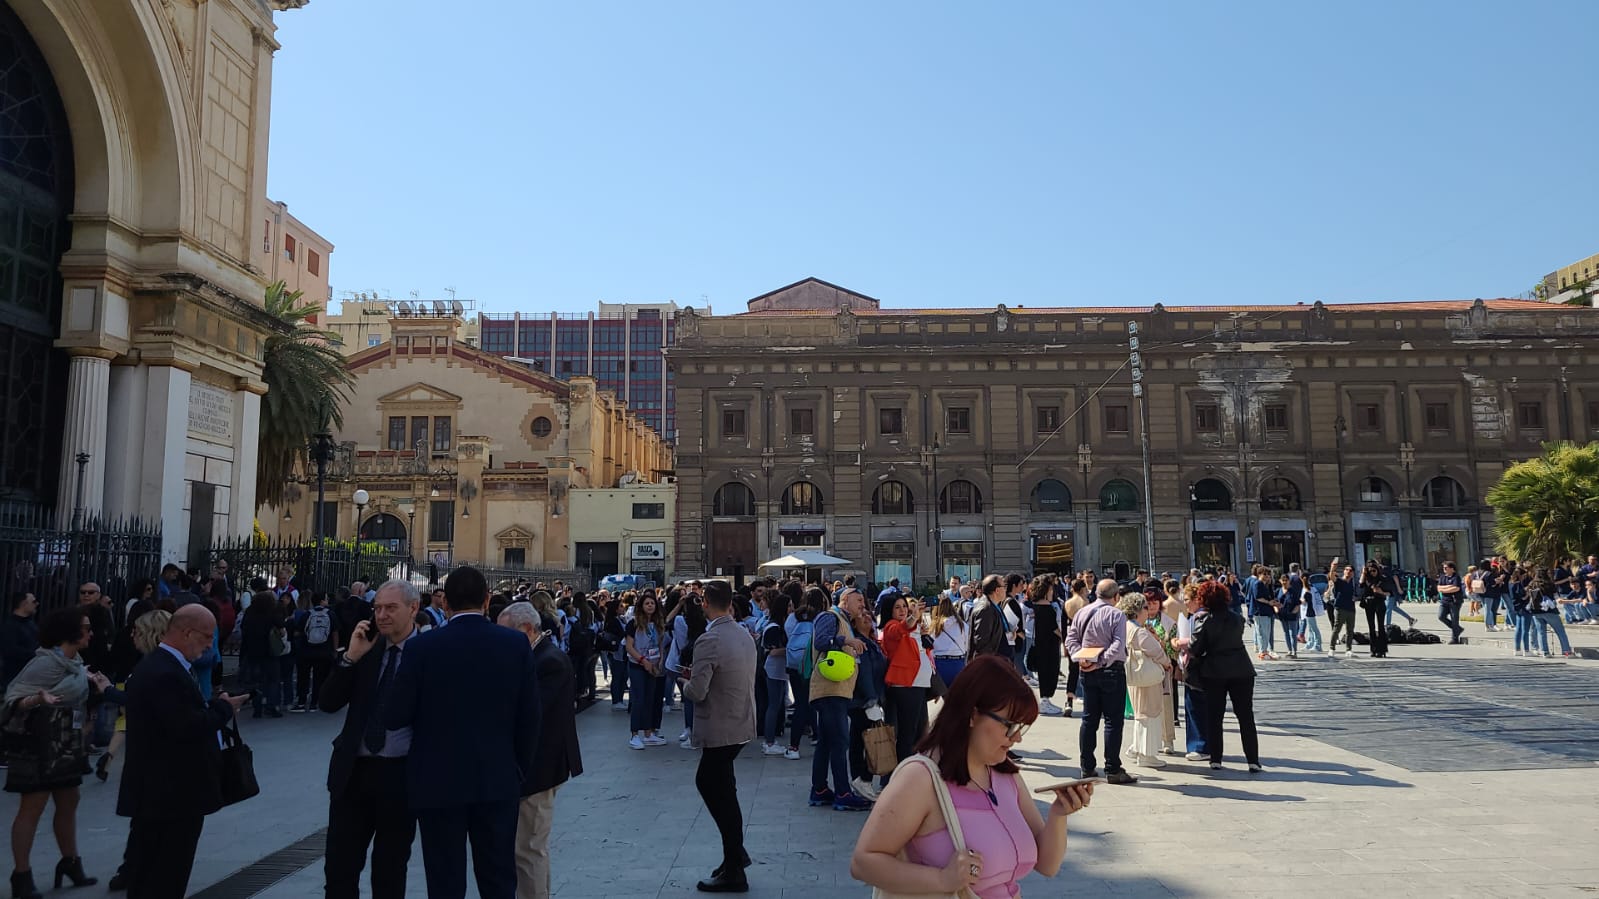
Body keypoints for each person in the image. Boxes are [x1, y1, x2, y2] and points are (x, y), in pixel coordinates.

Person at [849, 656, 1094, 899]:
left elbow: (1047, 865)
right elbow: (863, 862)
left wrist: (1058, 814)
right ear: (973, 715)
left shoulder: (1005, 774)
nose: (1017, 737)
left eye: (1022, 727)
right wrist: (942, 879)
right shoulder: (920, 779)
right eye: (1010, 725)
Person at [383, 566, 540, 899]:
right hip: (496, 777)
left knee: (445, 881)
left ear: (445, 603)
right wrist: (517, 768)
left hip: (437, 781)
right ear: (487, 600)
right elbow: (530, 717)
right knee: (499, 879)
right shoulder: (515, 644)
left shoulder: (422, 648)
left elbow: (395, 716)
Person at [116, 604, 251, 899]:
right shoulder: (164, 671)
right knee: (165, 873)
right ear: (187, 633)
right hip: (170, 794)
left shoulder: (163, 666)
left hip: (165, 791)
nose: (210, 645)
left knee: (156, 870)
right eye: (207, 636)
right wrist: (223, 708)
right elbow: (187, 726)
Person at [319, 581, 422, 899]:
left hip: (400, 775)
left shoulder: (429, 654)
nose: (381, 615)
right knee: (339, 869)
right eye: (377, 608)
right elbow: (328, 702)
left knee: (390, 871)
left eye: (391, 608)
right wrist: (350, 657)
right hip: (354, 773)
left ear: (413, 608)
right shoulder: (366, 647)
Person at [2, 608, 110, 898]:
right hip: (36, 743)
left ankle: (70, 861)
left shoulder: (75, 663)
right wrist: (37, 699)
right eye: (85, 627)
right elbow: (12, 698)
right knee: (32, 806)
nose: (91, 633)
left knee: (69, 800)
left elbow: (76, 699)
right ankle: (21, 875)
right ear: (69, 632)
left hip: (65, 742)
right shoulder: (45, 664)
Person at [496, 603, 582, 899]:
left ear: (526, 629)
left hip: (540, 767)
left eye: (505, 634)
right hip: (533, 766)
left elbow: (531, 712)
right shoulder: (536, 656)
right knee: (526, 846)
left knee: (528, 847)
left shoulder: (549, 661)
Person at [679, 581, 758, 893]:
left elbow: (698, 691)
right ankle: (734, 857)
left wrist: (684, 683)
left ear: (705, 603)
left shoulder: (709, 639)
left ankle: (735, 863)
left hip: (721, 724)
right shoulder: (743, 633)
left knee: (712, 785)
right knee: (724, 787)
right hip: (741, 721)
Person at [1063, 579, 1136, 785]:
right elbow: (1118, 644)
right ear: (1116, 596)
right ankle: (1113, 768)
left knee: (1089, 719)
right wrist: (1101, 661)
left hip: (1087, 671)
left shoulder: (1082, 612)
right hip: (1110, 670)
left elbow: (1070, 640)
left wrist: (1081, 658)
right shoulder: (1116, 614)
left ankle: (1087, 767)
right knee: (1113, 721)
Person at [809, 586, 872, 811]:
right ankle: (843, 793)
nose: (862, 605)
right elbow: (821, 641)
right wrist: (846, 640)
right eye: (859, 600)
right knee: (839, 741)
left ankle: (819, 789)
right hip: (830, 690)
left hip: (837, 690)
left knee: (827, 741)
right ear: (844, 600)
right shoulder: (830, 617)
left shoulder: (843, 620)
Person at [1187, 580, 1261, 772]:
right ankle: (1253, 760)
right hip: (1242, 668)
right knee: (1245, 716)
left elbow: (1195, 648)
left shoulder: (1205, 620)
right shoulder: (1237, 618)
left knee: (1215, 716)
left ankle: (1216, 759)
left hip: (1215, 671)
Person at [878, 592, 932, 774]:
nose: (902, 610)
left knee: (919, 731)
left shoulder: (912, 625)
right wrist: (913, 617)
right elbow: (900, 629)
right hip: (906, 685)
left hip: (918, 684)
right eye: (897, 607)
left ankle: (912, 771)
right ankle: (903, 774)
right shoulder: (891, 627)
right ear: (889, 610)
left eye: (904, 606)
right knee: (908, 734)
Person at [1118, 593, 1173, 769]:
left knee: (1140, 714)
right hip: (1148, 677)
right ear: (1137, 610)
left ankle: (1137, 748)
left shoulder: (1124, 627)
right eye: (1145, 608)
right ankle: (1147, 755)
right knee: (1150, 714)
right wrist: (1167, 663)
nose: (1147, 611)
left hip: (1135, 676)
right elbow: (1156, 651)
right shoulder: (1139, 631)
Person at [624, 593, 668, 749]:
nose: (650, 606)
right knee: (639, 699)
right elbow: (629, 646)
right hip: (638, 664)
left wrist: (660, 661)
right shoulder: (634, 623)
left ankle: (648, 733)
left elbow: (660, 644)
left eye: (652, 603)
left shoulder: (658, 624)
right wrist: (643, 661)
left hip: (653, 665)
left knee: (651, 699)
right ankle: (634, 734)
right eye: (647, 603)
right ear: (641, 606)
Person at [238, 589, 285, 718]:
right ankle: (271, 706)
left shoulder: (250, 612)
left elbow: (243, 628)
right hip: (269, 651)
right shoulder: (272, 612)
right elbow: (282, 630)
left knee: (255, 681)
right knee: (273, 680)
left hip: (252, 651)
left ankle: (257, 707)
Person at [294, 592, 338, 712]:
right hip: (324, 651)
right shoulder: (331, 614)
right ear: (322, 601)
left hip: (306, 650)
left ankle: (301, 702)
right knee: (319, 677)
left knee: (303, 677)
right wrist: (335, 650)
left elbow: (297, 632)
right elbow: (335, 633)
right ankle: (315, 702)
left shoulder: (307, 614)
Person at [1028, 579, 1065, 716]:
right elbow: (1054, 628)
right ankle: (1045, 701)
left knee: (1043, 672)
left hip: (1039, 643)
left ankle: (1045, 700)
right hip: (1049, 645)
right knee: (1050, 671)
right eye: (1050, 590)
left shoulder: (1035, 607)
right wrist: (1064, 637)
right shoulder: (1047, 608)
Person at [0, 593, 40, 690]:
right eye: (34, 601)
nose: (37, 604)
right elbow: (10, 650)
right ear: (23, 604)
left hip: (30, 677)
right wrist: (36, 654)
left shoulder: (30, 623)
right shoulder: (10, 626)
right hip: (15, 678)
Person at [1328, 565, 1357, 658]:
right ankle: (1332, 648)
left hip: (1351, 608)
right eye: (1346, 570)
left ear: (1353, 573)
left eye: (1350, 570)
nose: (1348, 571)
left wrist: (1355, 598)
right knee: (1337, 628)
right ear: (1344, 571)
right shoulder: (1340, 581)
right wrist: (1332, 568)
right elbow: (1332, 576)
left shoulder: (1352, 583)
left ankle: (1348, 649)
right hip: (1340, 608)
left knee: (1350, 630)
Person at [1436, 561, 1465, 645]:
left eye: (1446, 568)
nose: (1444, 569)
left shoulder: (1456, 577)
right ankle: (1458, 629)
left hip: (1454, 601)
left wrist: (1445, 589)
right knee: (1441, 616)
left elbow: (1456, 588)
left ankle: (1455, 639)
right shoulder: (1442, 577)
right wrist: (1449, 587)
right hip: (1444, 601)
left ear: (1452, 569)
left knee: (1454, 619)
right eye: (1443, 568)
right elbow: (1439, 588)